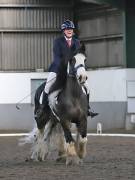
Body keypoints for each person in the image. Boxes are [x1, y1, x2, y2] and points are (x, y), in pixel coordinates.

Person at [37, 20, 98, 120]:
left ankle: (87, 108)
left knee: (87, 87)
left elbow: (78, 56)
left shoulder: (77, 42)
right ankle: (43, 109)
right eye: (67, 29)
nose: (69, 30)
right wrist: (63, 65)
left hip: (73, 70)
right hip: (58, 68)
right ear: (64, 31)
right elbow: (57, 57)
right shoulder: (58, 41)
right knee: (47, 86)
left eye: (71, 29)